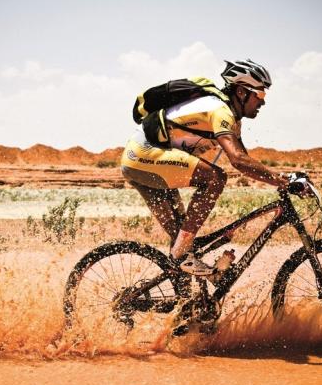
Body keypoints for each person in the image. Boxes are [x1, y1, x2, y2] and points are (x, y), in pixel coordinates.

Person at [120, 59, 288, 275]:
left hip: (143, 161)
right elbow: (237, 160)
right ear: (241, 92)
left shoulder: (232, 119)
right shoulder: (220, 111)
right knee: (216, 178)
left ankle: (189, 304)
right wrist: (282, 180)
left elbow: (246, 161)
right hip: (142, 157)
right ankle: (182, 257)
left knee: (181, 241)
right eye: (260, 94)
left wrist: (283, 176)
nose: (263, 102)